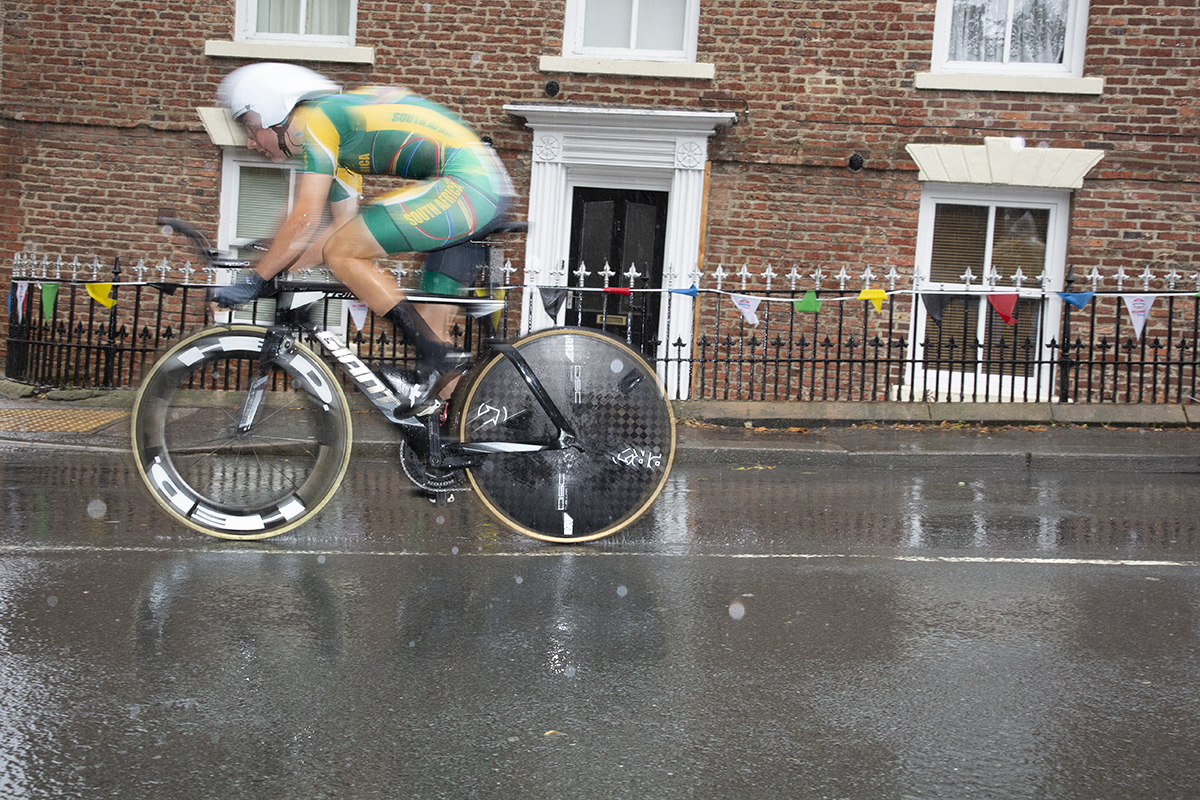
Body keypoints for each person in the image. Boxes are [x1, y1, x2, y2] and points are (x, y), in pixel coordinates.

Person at [213, 62, 514, 412]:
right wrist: (278, 266)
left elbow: (306, 217)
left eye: (250, 128)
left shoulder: (318, 121)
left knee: (349, 258)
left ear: (274, 111)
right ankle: (469, 433)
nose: (250, 142)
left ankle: (437, 357)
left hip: (469, 185)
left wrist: (257, 278)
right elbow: (339, 228)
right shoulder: (337, 145)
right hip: (477, 190)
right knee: (431, 335)